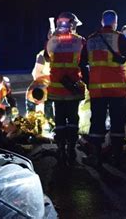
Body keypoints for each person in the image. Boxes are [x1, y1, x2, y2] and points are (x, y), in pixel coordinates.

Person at [81, 10, 126, 167]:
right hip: (117, 90)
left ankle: (95, 157)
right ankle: (117, 157)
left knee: (97, 123)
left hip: (97, 90)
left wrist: (88, 82)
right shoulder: (119, 38)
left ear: (102, 22)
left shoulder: (91, 39)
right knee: (117, 123)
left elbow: (82, 63)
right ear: (115, 22)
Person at [46, 12, 86, 165]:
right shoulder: (79, 40)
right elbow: (83, 60)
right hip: (72, 88)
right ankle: (71, 148)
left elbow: (47, 56)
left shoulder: (52, 40)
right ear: (71, 24)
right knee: (73, 119)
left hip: (57, 89)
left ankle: (61, 148)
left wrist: (52, 37)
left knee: (60, 121)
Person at [26, 50, 54, 121]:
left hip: (49, 85)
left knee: (48, 107)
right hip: (43, 83)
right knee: (31, 111)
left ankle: (51, 122)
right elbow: (37, 73)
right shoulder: (42, 56)